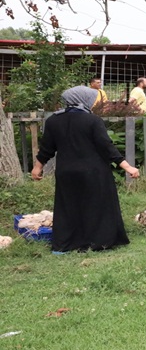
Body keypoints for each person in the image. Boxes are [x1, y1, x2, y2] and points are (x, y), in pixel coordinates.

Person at [30, 86, 140, 253]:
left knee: (67, 208)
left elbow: (47, 149)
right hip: (93, 171)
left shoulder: (53, 121)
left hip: (66, 171)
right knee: (96, 205)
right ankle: (98, 242)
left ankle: (64, 246)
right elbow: (106, 147)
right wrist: (127, 167)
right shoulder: (92, 120)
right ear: (84, 100)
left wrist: (37, 168)